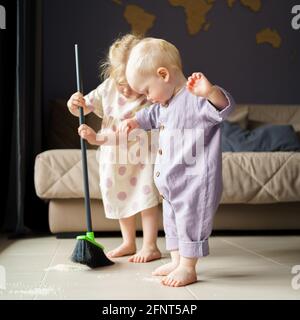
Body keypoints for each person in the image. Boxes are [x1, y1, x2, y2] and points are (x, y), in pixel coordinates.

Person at [120, 37, 235, 286]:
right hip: (171, 182)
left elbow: (224, 107)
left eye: (147, 91)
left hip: (195, 182)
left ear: (163, 74)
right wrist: (134, 121)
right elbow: (150, 115)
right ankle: (175, 260)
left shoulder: (195, 99)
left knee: (190, 221)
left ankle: (188, 267)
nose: (148, 98)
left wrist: (210, 92)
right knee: (171, 221)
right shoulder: (164, 104)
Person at [67, 34, 161, 263]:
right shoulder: (108, 88)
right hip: (113, 157)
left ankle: (150, 245)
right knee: (120, 195)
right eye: (121, 84)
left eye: (131, 84)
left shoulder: (149, 94)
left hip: (141, 155)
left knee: (146, 196)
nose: (126, 90)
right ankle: (128, 242)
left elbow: (140, 128)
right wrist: (74, 104)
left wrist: (97, 137)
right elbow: (84, 108)